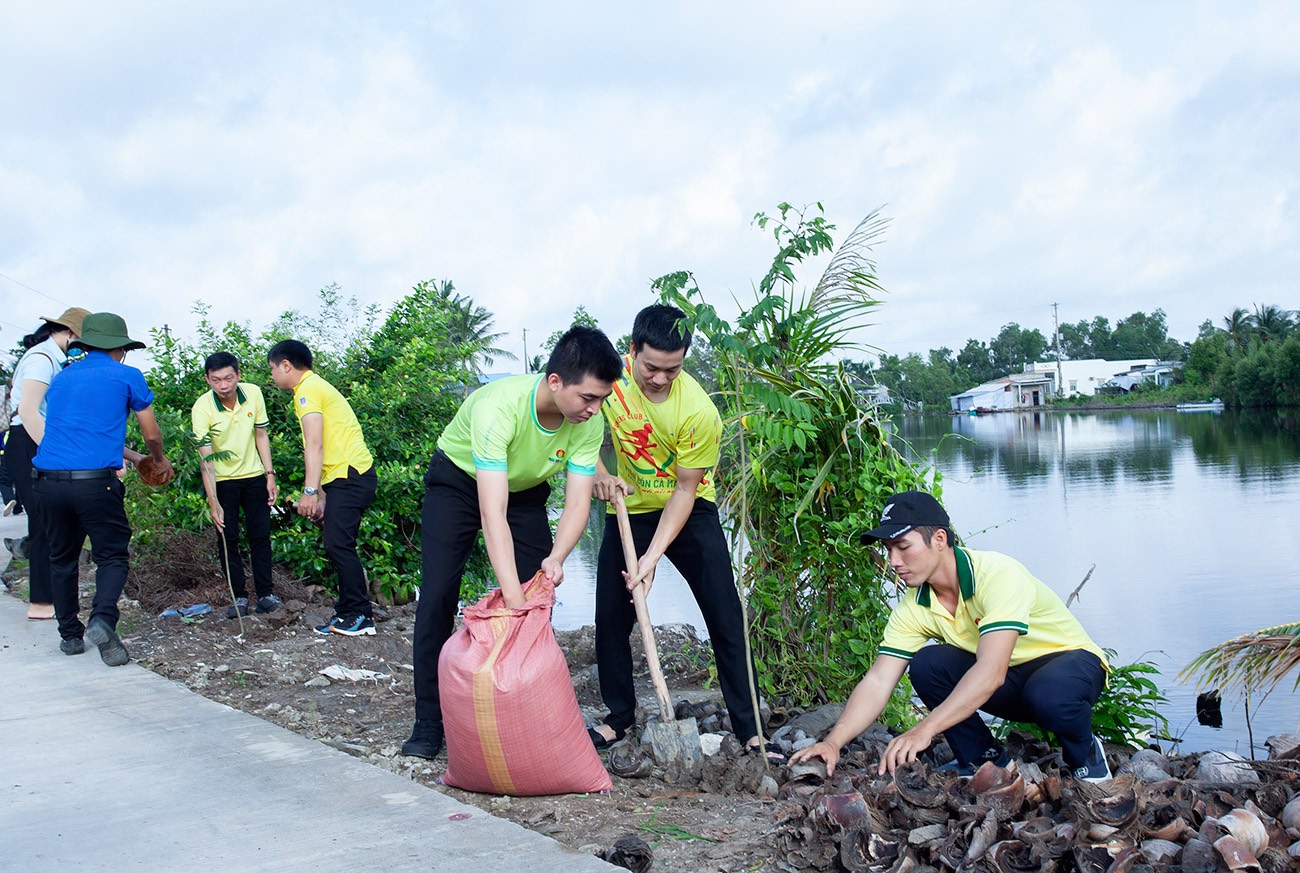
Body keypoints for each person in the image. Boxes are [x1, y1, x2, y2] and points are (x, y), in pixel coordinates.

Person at [400, 325, 622, 759]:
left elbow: (577, 506)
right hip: (459, 483)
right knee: (439, 593)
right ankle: (429, 719)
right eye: (588, 398)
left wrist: (556, 559)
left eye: (602, 399)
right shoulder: (499, 408)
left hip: (525, 493)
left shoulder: (587, 422)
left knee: (538, 594)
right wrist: (513, 595)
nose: (595, 409)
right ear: (555, 381)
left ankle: (520, 705)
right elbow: (491, 514)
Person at [789, 490, 1112, 781]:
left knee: (1048, 693)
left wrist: (924, 730)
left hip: (1070, 666)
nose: (893, 562)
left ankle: (1086, 757)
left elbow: (991, 671)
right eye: (889, 550)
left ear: (940, 539)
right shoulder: (915, 604)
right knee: (929, 664)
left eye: (903, 547)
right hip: (1012, 683)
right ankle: (981, 757)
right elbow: (878, 681)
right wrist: (832, 742)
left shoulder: (997, 574)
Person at [588, 304, 768, 755]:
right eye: (651, 367)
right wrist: (597, 473)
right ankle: (619, 719)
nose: (661, 379)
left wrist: (650, 559)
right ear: (632, 352)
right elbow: (578, 434)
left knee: (725, 614)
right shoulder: (611, 385)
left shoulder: (699, 411)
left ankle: (749, 729)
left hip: (690, 510)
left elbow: (685, 491)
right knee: (611, 616)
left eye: (674, 369)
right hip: (627, 508)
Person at [32, 312, 175, 664]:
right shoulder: (127, 375)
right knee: (111, 555)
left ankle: (69, 635)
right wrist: (157, 458)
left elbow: (77, 434)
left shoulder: (63, 378)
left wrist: (133, 456)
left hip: (48, 482)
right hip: (95, 484)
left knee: (62, 556)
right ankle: (102, 620)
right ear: (121, 349)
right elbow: (152, 432)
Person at [268, 340, 376, 635]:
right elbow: (325, 449)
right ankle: (347, 613)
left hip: (351, 475)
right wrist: (324, 495)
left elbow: (315, 444)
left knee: (338, 544)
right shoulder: (313, 388)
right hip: (343, 477)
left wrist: (309, 492)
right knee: (336, 542)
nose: (273, 376)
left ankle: (360, 616)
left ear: (286, 365)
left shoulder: (308, 391)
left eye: (273, 369)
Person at [4, 307, 90, 619]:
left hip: (40, 439)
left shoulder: (55, 358)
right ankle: (41, 602)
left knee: (53, 519)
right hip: (29, 440)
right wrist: (54, 451)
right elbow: (28, 411)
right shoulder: (42, 359)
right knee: (41, 520)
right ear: (70, 333)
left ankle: (54, 595)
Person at [192, 352, 281, 619]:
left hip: (254, 475)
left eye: (229, 378)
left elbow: (261, 434)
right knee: (227, 539)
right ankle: (239, 597)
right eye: (216, 380)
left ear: (238, 376)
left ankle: (266, 594)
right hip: (223, 481)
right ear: (207, 379)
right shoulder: (202, 407)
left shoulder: (253, 393)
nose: (223, 385)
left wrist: (269, 474)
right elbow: (205, 457)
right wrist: (212, 499)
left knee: (260, 535)